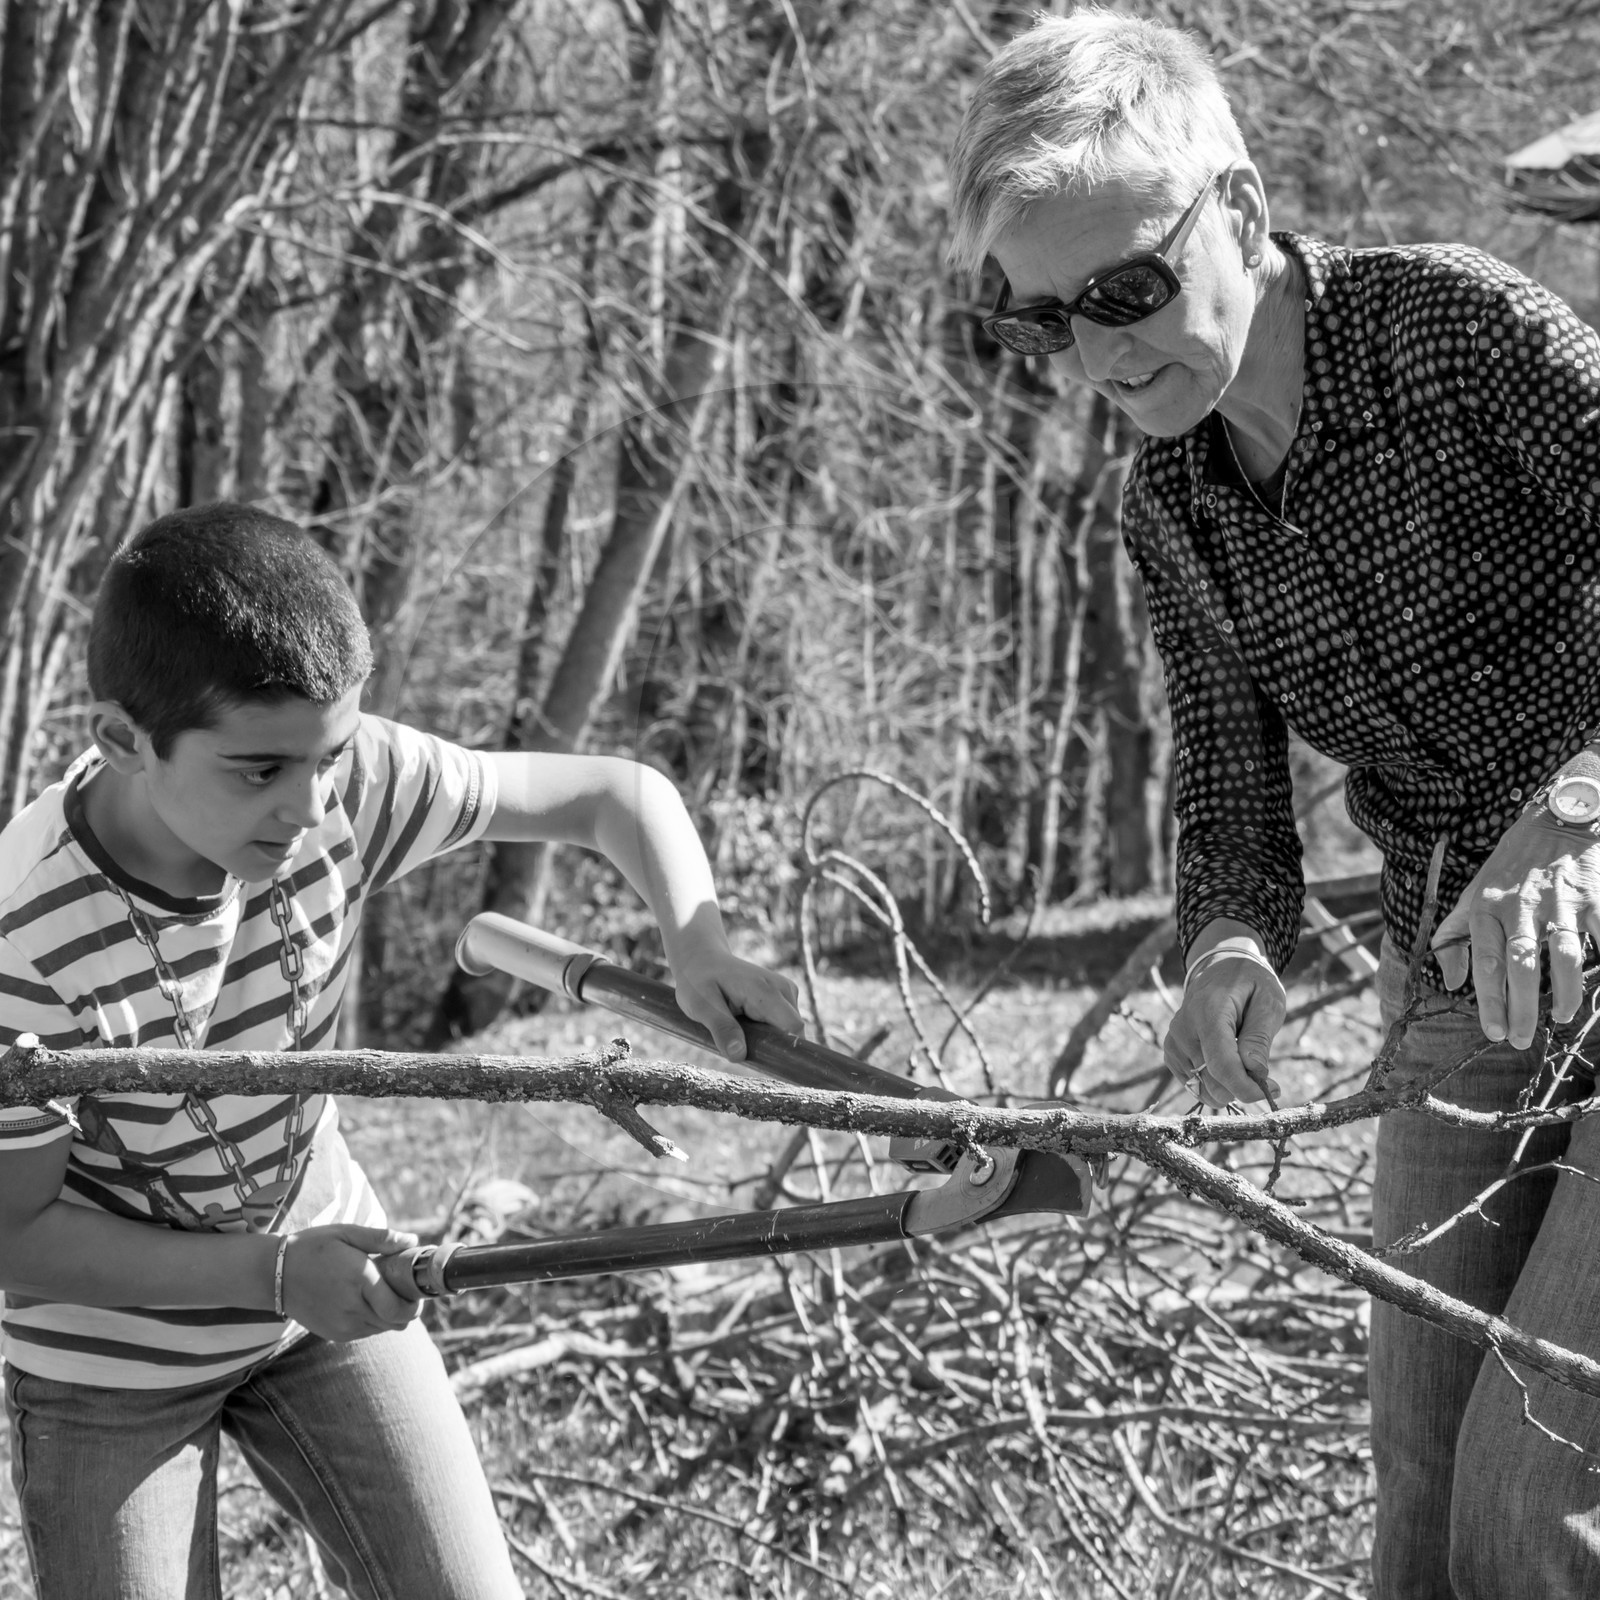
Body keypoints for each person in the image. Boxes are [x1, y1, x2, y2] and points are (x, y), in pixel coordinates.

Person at [948, 10, 1600, 1599]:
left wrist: (1576, 811)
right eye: (1042, 325)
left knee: (1534, 1512)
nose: (1100, 358)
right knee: (1424, 1504)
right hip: (1461, 979)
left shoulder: (1466, 331)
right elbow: (1229, 782)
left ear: (1236, 215)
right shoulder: (1170, 501)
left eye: (1129, 292)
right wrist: (1229, 940)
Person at [0, 502, 804, 1599]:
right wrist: (270, 1273)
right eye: (258, 772)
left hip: (328, 1280)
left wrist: (695, 936)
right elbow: (17, 1236)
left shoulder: (343, 786)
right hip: (112, 1368)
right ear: (122, 739)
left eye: (328, 756)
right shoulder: (24, 936)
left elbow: (614, 795)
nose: (307, 805)